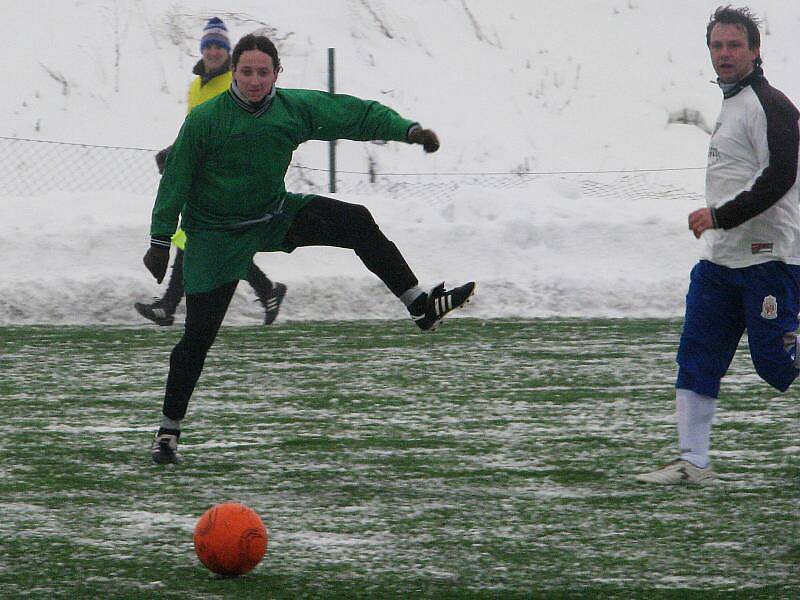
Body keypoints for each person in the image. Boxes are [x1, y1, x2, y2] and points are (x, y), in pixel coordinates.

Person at [145, 33, 476, 464]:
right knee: (197, 340)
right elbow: (177, 179)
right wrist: (160, 240)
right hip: (216, 236)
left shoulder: (292, 109)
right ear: (234, 72)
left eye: (263, 72)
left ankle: (420, 305)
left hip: (271, 217)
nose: (254, 80)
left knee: (355, 220)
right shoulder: (207, 119)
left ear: (277, 74)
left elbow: (350, 114)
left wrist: (407, 130)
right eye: (246, 71)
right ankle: (168, 432)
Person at [637, 6, 799, 484]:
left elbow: (780, 178)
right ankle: (693, 462)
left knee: (775, 367)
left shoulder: (772, 105)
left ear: (754, 50)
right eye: (717, 46)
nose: (724, 54)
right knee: (697, 353)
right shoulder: (732, 103)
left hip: (770, 256)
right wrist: (719, 227)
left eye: (734, 45)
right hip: (721, 259)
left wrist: (719, 216)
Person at [135, 17, 287, 327]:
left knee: (204, 237)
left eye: (220, 46)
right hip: (201, 176)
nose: (214, 51)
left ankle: (169, 305)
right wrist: (175, 152)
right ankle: (266, 290)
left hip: (226, 177)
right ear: (203, 49)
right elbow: (195, 129)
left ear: (228, 53)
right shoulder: (196, 85)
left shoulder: (230, 84)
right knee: (206, 239)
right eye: (209, 46)